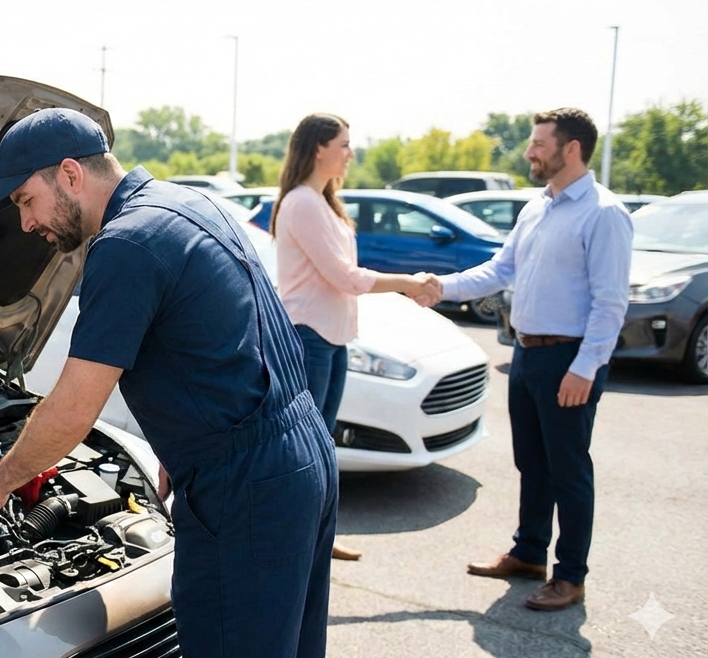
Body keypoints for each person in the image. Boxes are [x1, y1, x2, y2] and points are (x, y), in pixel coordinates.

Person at [0, 108, 337, 658]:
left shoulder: (125, 246)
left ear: (70, 174)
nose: (26, 224)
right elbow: (236, 332)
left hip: (247, 485)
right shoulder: (186, 205)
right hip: (298, 456)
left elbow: (74, 408)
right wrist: (194, 443)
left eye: (25, 200)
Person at [416, 107, 631, 611]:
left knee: (568, 470)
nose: (529, 152)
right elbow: (499, 269)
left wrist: (586, 366)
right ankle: (529, 552)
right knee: (532, 463)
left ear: (570, 148)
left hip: (569, 360)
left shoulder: (603, 212)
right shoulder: (538, 207)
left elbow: (611, 301)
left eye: (538, 143)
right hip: (527, 355)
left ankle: (570, 576)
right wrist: (438, 287)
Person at [270, 113, 441, 562]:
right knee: (308, 449)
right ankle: (299, 542)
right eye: (344, 144)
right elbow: (343, 276)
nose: (351, 152)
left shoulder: (325, 203)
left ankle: (319, 537)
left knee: (322, 448)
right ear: (318, 148)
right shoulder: (302, 203)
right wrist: (407, 281)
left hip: (333, 338)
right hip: (309, 337)